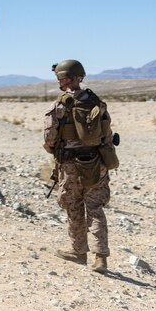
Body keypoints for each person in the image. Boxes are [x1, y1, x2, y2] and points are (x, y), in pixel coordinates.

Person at [44, 59, 117, 274]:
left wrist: (57, 151)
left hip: (70, 165)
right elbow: (107, 135)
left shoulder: (59, 106)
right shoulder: (97, 103)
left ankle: (78, 252)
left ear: (64, 79)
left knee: (74, 207)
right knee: (95, 208)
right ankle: (100, 258)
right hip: (96, 163)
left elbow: (49, 139)